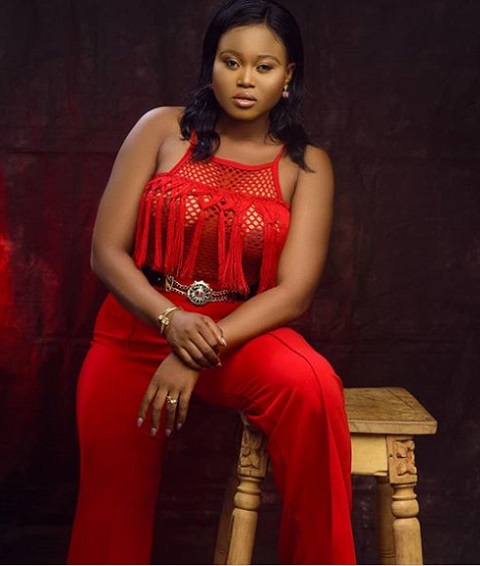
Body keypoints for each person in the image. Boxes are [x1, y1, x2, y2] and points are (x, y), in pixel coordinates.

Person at [67, 0, 356, 563]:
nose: (246, 79)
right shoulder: (160, 129)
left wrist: (195, 349)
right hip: (140, 324)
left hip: (238, 334)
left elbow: (294, 292)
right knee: (110, 509)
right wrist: (170, 321)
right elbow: (106, 252)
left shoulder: (307, 165)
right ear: (211, 64)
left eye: (264, 66)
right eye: (232, 61)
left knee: (311, 384)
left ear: (288, 76)